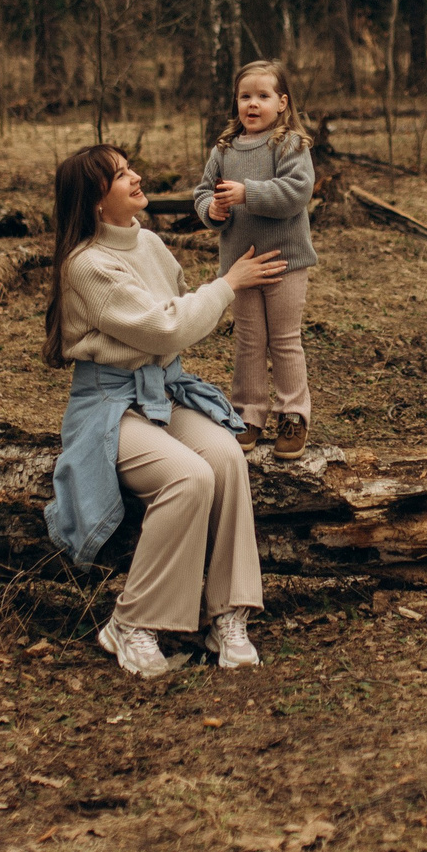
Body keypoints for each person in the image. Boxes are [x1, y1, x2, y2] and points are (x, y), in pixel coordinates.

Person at [43, 143, 286, 678]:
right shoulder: (86, 266)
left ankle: (226, 615)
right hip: (109, 404)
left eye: (130, 167)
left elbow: (181, 312)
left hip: (161, 390)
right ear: (95, 201)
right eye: (119, 175)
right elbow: (169, 326)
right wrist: (226, 286)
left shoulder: (150, 243)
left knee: (225, 456)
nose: (134, 178)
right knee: (188, 476)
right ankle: (131, 622)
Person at [192, 60, 319, 455]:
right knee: (248, 340)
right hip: (240, 266)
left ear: (282, 103)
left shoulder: (289, 144)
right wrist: (211, 210)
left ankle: (293, 414)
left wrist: (249, 193)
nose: (253, 104)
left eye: (263, 96)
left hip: (285, 263)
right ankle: (248, 414)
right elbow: (201, 192)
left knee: (283, 340)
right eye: (245, 96)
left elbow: (298, 192)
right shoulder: (224, 148)